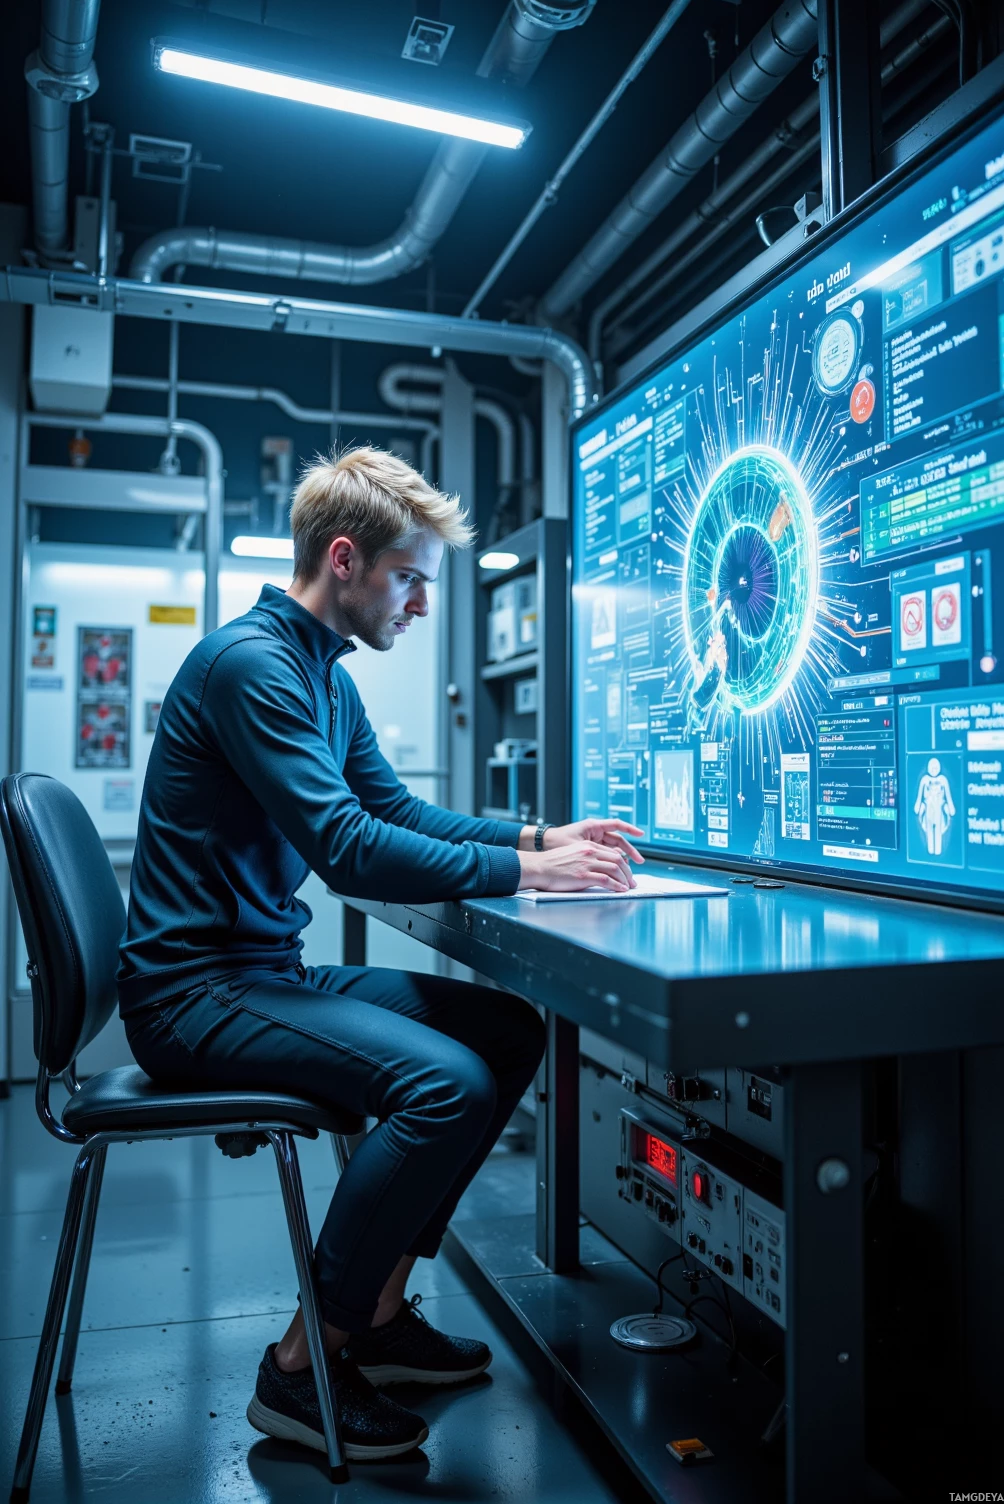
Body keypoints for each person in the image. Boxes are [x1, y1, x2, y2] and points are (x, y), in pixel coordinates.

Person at [118, 445, 643, 1463]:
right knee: (444, 1086)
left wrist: (536, 841)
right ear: (346, 560)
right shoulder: (251, 666)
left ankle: (384, 1315)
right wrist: (531, 880)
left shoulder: (319, 672)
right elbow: (349, 846)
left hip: (258, 974)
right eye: (409, 580)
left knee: (502, 1031)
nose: (416, 605)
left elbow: (393, 808)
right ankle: (300, 1370)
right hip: (193, 996)